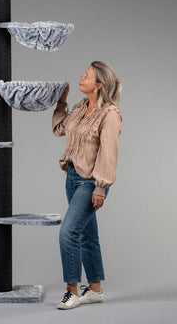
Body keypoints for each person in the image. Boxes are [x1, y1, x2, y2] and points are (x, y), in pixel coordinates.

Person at [52, 61, 123, 310]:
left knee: (68, 232)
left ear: (99, 85)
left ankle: (71, 291)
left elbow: (108, 153)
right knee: (87, 234)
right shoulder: (81, 107)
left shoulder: (110, 115)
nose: (81, 77)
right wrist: (62, 102)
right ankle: (95, 289)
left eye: (87, 75)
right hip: (72, 177)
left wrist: (100, 187)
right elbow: (59, 129)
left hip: (90, 182)